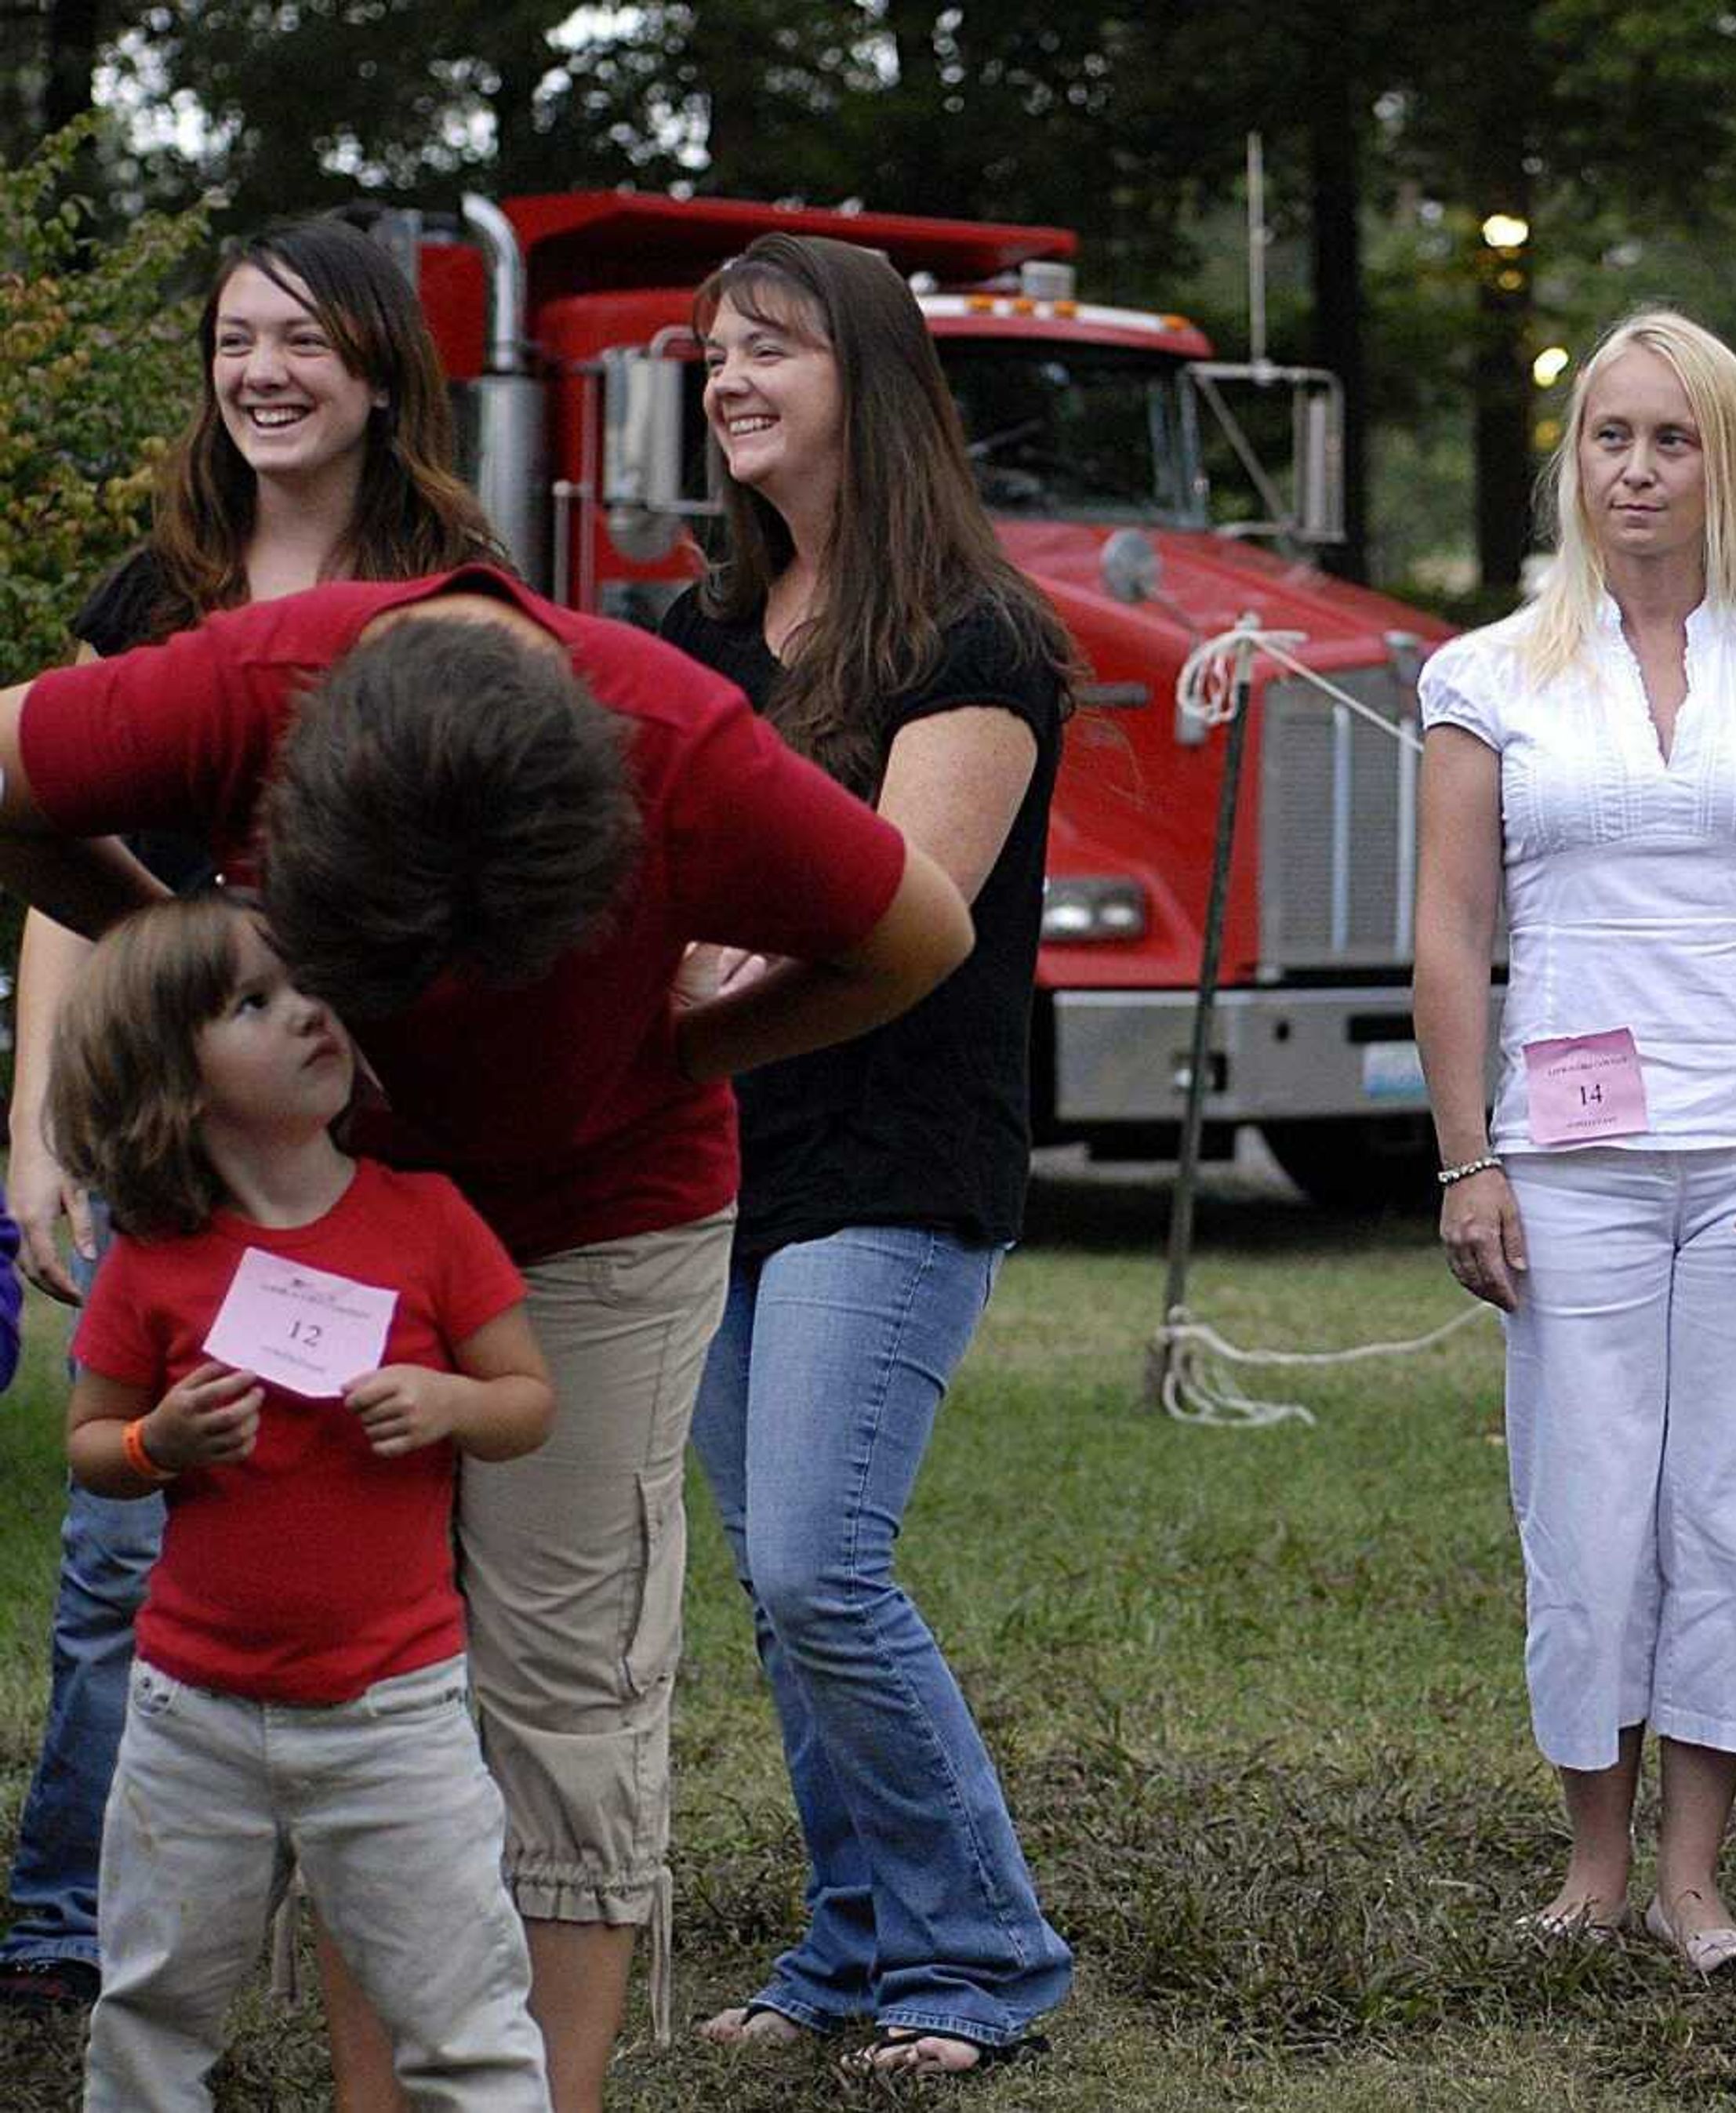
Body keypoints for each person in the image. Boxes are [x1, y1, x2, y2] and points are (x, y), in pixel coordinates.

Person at [0, 570, 974, 2111]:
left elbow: (920, 932)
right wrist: (187, 967)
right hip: (340, 1218)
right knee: (357, 1666)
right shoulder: (247, 688)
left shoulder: (685, 754)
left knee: (562, 1691)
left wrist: (684, 1049)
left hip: (601, 1222)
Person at [1, 212, 506, 2015]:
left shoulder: (461, 588)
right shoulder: (154, 595)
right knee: (129, 1537)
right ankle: (72, 1922)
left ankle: (357, 1931)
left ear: (382, 369)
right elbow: (71, 874)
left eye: (302, 339)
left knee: (351, 1515)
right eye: (233, 341)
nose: (263, 372)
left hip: (374, 1158)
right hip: (174, 1153)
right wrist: (40, 1133)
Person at [1412, 307, 1736, 1971]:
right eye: (1611, 436)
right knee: (1588, 1502)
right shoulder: (1487, 673)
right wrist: (1470, 1157)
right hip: (1567, 1154)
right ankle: (1593, 1861)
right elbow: (1454, 925)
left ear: (1723, 461)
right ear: (1573, 463)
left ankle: (1699, 1873)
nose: (1637, 467)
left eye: (1672, 438)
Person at [654, 232, 1073, 2075]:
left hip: (891, 1152)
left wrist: (710, 966)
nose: (728, 376)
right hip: (708, 1148)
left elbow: (906, 910)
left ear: (869, 381)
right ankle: (850, 1943)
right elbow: (654, 892)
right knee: (776, 1579)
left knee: (825, 1559)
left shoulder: (974, 636)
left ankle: (979, 1949)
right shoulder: (702, 634)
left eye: (769, 349)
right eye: (711, 351)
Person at [53, 895, 554, 2109]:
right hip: (192, 1720)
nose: (310, 1012)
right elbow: (89, 1446)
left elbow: (528, 1400)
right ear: (169, 1074)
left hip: (398, 1717)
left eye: (307, 981)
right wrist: (154, 1440)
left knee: (465, 2012)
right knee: (154, 2007)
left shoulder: (426, 1222)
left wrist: (447, 1402)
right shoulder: (156, 1265)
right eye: (253, 1003)